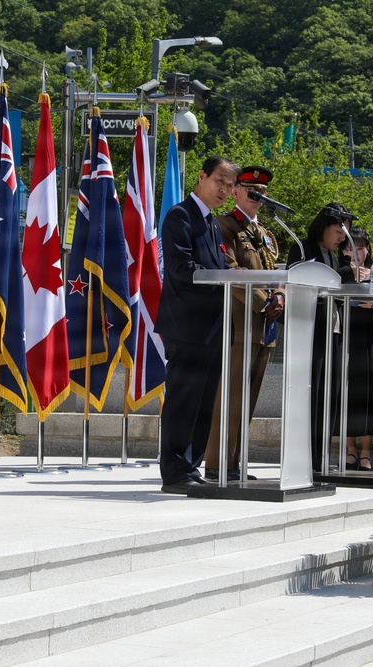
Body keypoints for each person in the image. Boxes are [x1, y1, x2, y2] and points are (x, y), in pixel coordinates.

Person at [155, 155, 241, 494]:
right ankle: (174, 471)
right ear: (202, 176)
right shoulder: (181, 216)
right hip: (188, 326)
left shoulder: (212, 223)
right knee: (184, 400)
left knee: (204, 402)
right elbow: (181, 268)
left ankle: (191, 467)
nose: (224, 189)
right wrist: (227, 276)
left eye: (231, 185)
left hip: (214, 328)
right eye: (220, 180)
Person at [203, 166, 285, 482]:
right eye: (251, 191)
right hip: (239, 326)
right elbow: (231, 274)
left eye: (262, 193)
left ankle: (235, 462)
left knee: (248, 399)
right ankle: (217, 463)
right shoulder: (223, 226)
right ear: (236, 192)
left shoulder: (267, 234)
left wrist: (280, 297)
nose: (257, 197)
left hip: (265, 329)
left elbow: (277, 272)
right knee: (231, 397)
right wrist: (266, 301)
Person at [285, 203, 367, 472]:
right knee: (314, 394)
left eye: (344, 235)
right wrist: (347, 274)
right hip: (311, 331)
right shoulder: (302, 248)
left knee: (329, 396)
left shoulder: (333, 256)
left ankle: (321, 458)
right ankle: (306, 456)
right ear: (324, 227)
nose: (342, 239)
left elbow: (337, 285)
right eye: (338, 232)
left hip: (334, 330)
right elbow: (304, 281)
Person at [338, 226, 373, 471]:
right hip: (345, 337)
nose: (356, 252)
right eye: (350, 247)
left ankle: (366, 451)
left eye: (360, 247)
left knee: (367, 395)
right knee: (347, 394)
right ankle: (350, 450)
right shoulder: (341, 273)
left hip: (369, 339)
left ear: (367, 249)